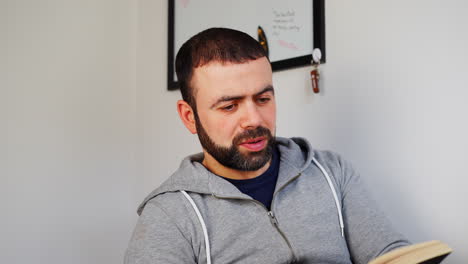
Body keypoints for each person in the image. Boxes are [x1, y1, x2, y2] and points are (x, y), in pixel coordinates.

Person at [124, 28, 409, 264]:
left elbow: (389, 253)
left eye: (263, 99)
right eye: (229, 106)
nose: (254, 120)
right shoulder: (170, 214)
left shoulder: (331, 172)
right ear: (190, 116)